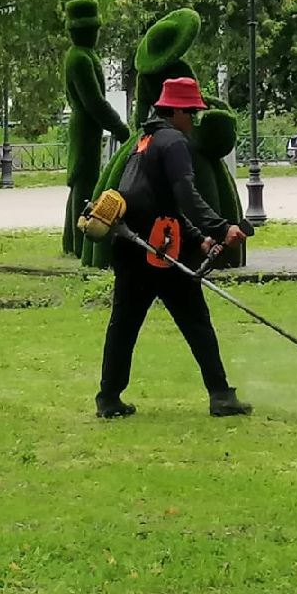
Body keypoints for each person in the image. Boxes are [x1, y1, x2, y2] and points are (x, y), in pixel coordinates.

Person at [96, 76, 252, 420]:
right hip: (158, 251)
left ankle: (108, 398)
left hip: (130, 245)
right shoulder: (175, 143)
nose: (194, 120)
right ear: (176, 111)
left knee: (123, 325)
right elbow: (185, 194)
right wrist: (221, 227)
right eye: (191, 113)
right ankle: (220, 396)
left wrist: (198, 239)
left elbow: (159, 201)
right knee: (197, 322)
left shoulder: (145, 141)